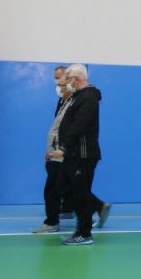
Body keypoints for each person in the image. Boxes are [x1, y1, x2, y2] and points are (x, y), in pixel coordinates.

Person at [53, 64, 111, 245]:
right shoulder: (78, 96)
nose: (64, 83)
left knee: (80, 194)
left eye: (67, 78)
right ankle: (88, 220)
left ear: (75, 79)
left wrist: (64, 147)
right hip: (73, 154)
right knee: (73, 191)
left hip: (82, 154)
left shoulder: (88, 97)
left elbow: (80, 125)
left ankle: (84, 233)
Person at [31, 66, 74, 233]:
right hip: (54, 152)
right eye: (57, 82)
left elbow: (70, 131)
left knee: (53, 189)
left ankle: (52, 222)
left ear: (70, 84)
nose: (58, 86)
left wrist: (62, 149)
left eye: (61, 83)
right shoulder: (63, 102)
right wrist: (49, 149)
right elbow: (56, 129)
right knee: (60, 188)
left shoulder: (73, 104)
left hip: (61, 154)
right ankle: (87, 210)